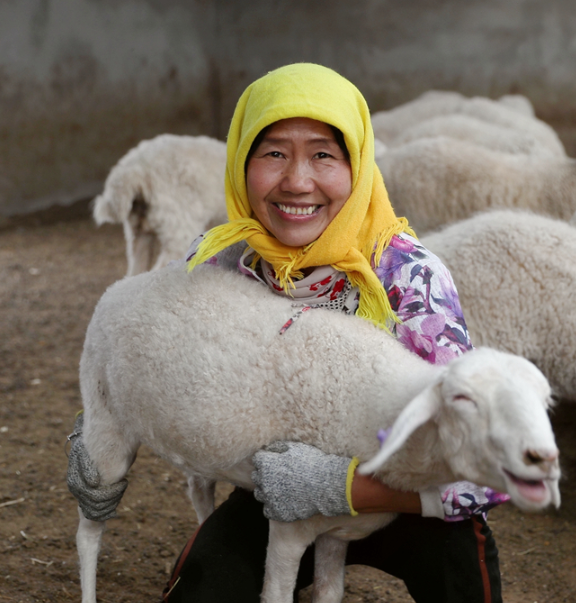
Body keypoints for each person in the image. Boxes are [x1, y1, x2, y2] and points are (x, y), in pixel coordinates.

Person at [66, 63, 507, 602]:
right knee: (201, 590)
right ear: (240, 162)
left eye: (324, 154)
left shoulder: (409, 280)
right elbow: (163, 358)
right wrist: (106, 411)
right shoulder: (223, 264)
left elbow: (487, 470)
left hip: (410, 501)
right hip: (277, 498)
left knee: (464, 580)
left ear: (359, 163)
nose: (298, 181)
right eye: (273, 152)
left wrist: (340, 486)